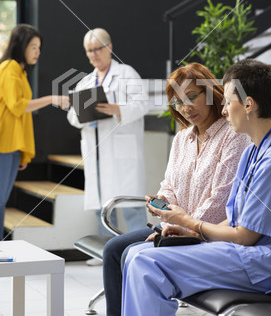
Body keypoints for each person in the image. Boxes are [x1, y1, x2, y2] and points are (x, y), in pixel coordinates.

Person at [121, 59, 271, 316]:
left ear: (248, 105)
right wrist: (196, 234)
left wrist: (191, 223)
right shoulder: (254, 150)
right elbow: (236, 220)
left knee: (146, 263)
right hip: (247, 251)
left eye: (228, 102)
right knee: (136, 254)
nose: (224, 111)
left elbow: (245, 236)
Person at [103, 62, 250, 315]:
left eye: (191, 97)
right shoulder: (183, 137)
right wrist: (161, 200)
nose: (185, 107)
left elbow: (222, 199)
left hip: (206, 231)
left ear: (210, 93)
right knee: (113, 250)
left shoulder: (232, 135)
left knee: (130, 252)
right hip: (175, 227)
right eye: (178, 102)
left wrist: (185, 226)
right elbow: (169, 184)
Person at [67, 28, 149, 242]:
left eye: (97, 49)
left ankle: (138, 248)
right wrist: (83, 116)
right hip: (97, 151)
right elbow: (71, 116)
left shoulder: (127, 73)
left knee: (130, 205)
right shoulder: (85, 82)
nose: (93, 54)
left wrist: (117, 109)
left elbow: (142, 104)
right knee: (101, 205)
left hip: (122, 150)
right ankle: (105, 249)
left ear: (109, 47)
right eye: (89, 51)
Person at [0, 24, 70, 239]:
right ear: (21, 46)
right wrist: (52, 99)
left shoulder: (19, 71)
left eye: (39, 48)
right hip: (3, 145)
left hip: (11, 146)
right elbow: (18, 106)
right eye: (33, 47)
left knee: (2, 200)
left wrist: (21, 151)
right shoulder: (9, 68)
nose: (37, 52)